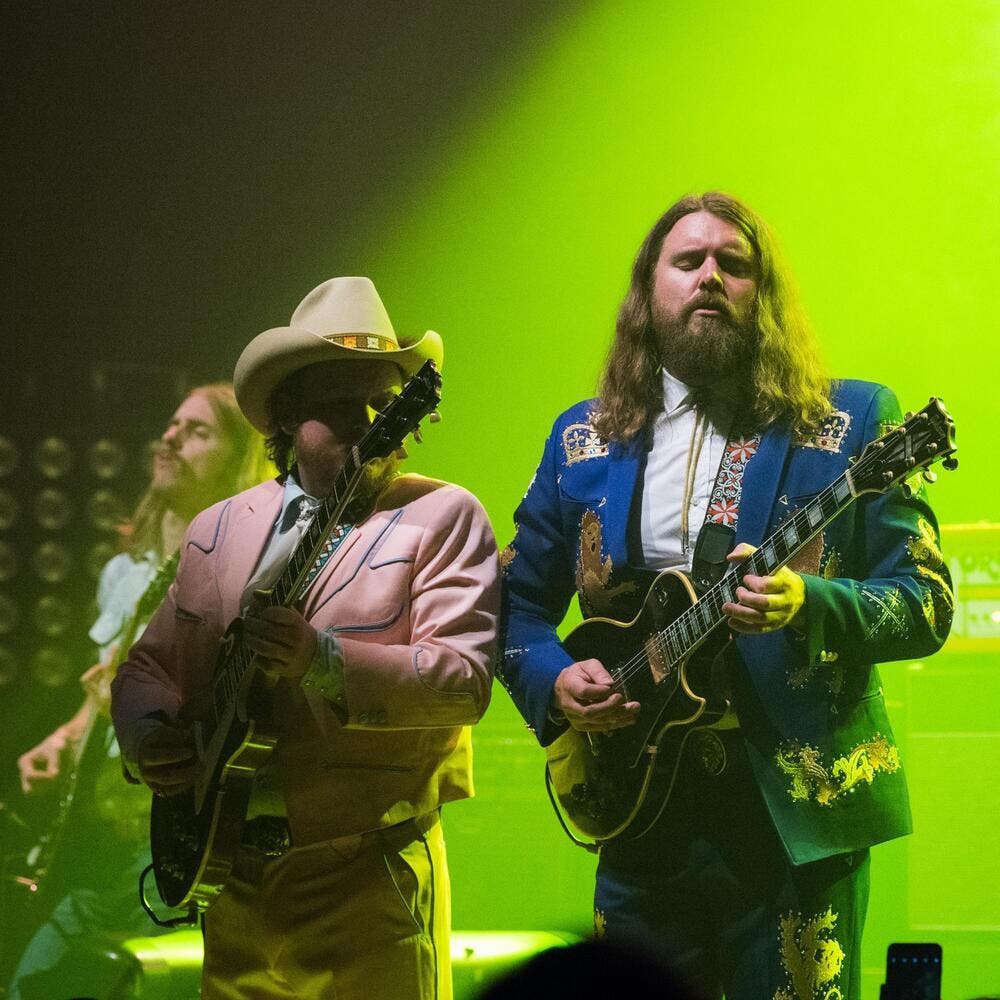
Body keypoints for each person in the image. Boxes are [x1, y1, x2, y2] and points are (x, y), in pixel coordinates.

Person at [499, 192, 954, 1000]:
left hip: (792, 820)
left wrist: (808, 602)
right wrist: (554, 680)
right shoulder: (583, 438)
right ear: (648, 292)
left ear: (762, 293)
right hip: (637, 809)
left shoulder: (853, 421)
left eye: (733, 263)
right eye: (688, 260)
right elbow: (513, 609)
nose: (710, 276)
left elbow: (926, 602)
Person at [110, 276, 499, 1000]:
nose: (372, 422)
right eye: (345, 404)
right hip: (232, 882)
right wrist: (147, 736)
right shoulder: (217, 530)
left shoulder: (443, 516)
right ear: (287, 416)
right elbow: (147, 669)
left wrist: (320, 660)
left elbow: (463, 683)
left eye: (385, 403)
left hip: (368, 876)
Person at [8, 383, 271, 1000]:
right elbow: (101, 689)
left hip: (160, 823)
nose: (171, 438)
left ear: (238, 460)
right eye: (172, 425)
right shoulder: (123, 572)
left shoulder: (238, 574)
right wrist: (64, 738)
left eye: (197, 431)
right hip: (97, 825)